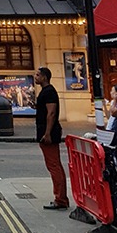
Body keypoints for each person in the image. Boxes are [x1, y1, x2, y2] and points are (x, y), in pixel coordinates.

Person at [34, 66, 69, 211]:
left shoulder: (49, 92)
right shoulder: (46, 92)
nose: (35, 77)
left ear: (44, 77)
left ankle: (60, 199)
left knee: (54, 165)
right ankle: (61, 198)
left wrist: (47, 133)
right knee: (54, 165)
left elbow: (52, 113)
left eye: (37, 75)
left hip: (49, 133)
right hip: (46, 132)